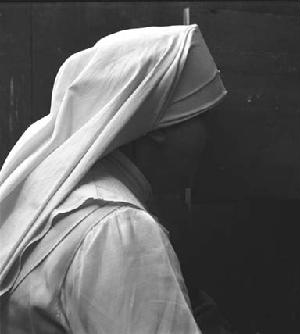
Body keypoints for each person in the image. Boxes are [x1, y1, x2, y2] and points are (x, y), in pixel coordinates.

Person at [0, 24, 227, 333]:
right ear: (159, 127)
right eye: (202, 119)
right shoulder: (118, 229)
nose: (211, 138)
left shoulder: (60, 201)